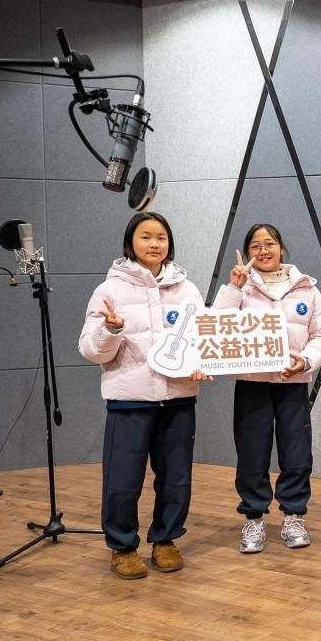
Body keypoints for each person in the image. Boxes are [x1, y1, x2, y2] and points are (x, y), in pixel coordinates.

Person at [78, 212, 210, 579]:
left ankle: (166, 540)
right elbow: (90, 350)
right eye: (146, 237)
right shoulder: (109, 290)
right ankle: (122, 547)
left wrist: (201, 363)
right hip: (129, 399)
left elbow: (203, 339)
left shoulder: (187, 289)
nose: (155, 244)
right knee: (123, 480)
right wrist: (111, 331)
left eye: (161, 237)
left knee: (176, 478)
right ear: (130, 242)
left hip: (179, 398)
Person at [213, 224, 321, 553]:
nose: (263, 251)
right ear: (247, 252)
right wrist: (233, 288)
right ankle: (253, 517)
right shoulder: (241, 287)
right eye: (255, 246)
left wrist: (305, 361)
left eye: (269, 244)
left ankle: (294, 515)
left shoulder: (307, 289)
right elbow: (217, 329)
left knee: (297, 452)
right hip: (252, 384)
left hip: (292, 384)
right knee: (252, 452)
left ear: (281, 247)